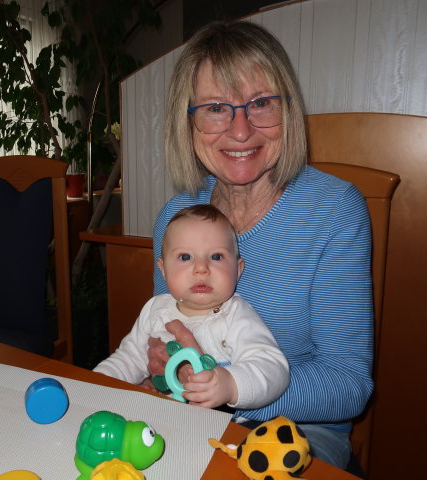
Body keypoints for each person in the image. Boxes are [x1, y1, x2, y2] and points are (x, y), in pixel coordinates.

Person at [147, 20, 374, 470]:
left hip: (298, 432)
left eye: (261, 103)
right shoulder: (177, 218)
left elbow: (348, 383)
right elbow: (167, 337)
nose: (240, 130)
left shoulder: (335, 211)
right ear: (187, 121)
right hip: (191, 416)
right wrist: (162, 364)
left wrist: (232, 389)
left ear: (286, 111)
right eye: (215, 108)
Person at [94, 204, 289, 410]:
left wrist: (231, 384)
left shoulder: (236, 316)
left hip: (217, 426)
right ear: (163, 269)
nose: (201, 269)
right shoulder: (155, 309)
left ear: (237, 269)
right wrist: (98, 382)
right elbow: (130, 357)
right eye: (185, 257)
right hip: (161, 417)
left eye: (216, 257)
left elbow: (272, 367)